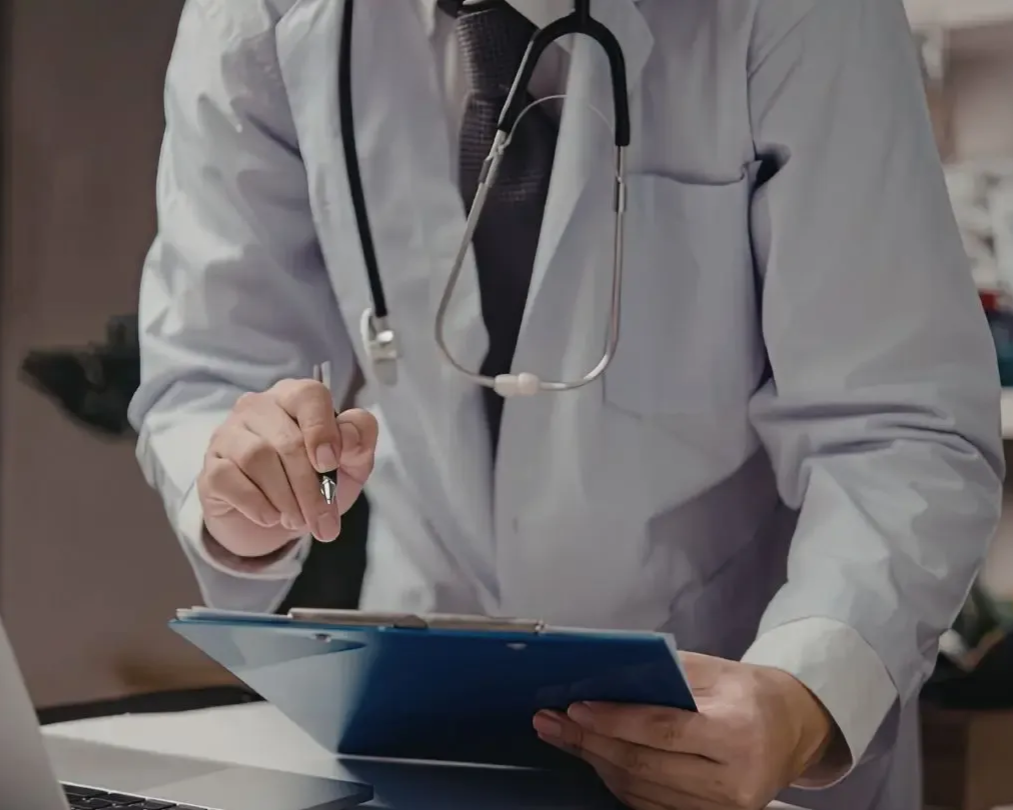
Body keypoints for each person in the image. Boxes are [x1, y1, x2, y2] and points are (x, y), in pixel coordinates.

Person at [128, 1, 1004, 808]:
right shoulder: (267, 15)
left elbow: (900, 425)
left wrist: (802, 695)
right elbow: (209, 370)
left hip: (733, 707)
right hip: (426, 717)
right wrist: (248, 489)